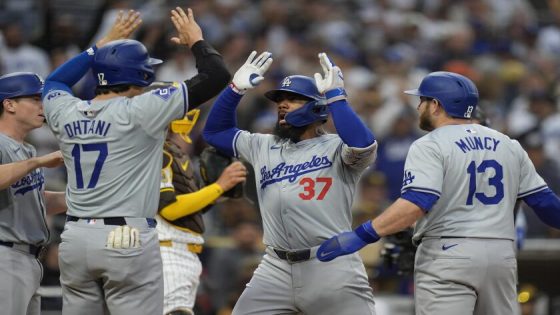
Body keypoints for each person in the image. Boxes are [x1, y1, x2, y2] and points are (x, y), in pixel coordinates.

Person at [317, 71, 560, 315]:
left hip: (448, 253)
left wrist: (363, 234)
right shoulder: (509, 144)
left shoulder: (430, 144)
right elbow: (545, 203)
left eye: (422, 100)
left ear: (436, 105)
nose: (418, 106)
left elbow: (417, 203)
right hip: (501, 255)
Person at [42, 7, 230, 314]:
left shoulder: (67, 110)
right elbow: (217, 75)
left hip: (75, 237)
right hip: (126, 237)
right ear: (140, 75)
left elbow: (53, 82)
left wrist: (100, 46)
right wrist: (196, 40)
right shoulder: (142, 109)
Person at [203, 51, 378, 314]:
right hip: (275, 266)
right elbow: (215, 132)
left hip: (330, 263)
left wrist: (336, 98)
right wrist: (234, 90)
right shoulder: (264, 144)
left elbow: (363, 144)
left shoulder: (337, 147)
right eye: (280, 100)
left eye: (293, 99)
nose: (282, 104)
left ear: (317, 108)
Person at [157, 109, 247, 315]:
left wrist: (217, 194)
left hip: (182, 252)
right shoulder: (157, 154)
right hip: (167, 252)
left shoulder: (175, 155)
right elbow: (170, 209)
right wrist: (219, 187)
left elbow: (188, 210)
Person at [0, 72, 67, 314]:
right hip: (5, 255)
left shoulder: (27, 148)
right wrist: (37, 162)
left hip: (27, 258)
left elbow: (35, 201)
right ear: (9, 104)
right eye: (34, 99)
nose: (42, 105)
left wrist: (88, 196)